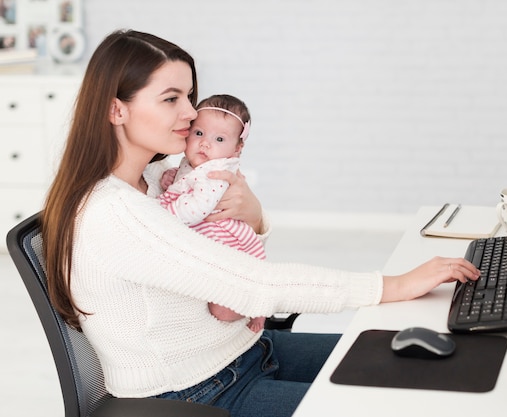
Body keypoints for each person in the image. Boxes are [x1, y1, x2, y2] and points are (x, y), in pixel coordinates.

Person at [41, 29, 480, 417]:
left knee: (417, 366)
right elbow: (253, 284)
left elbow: (223, 241)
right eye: (172, 98)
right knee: (398, 406)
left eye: (190, 96)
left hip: (245, 350)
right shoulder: (112, 212)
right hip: (202, 393)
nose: (192, 113)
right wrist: (394, 285)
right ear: (117, 110)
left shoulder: (158, 180)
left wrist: (254, 216)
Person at [159, 94, 266, 332]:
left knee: (224, 310)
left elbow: (195, 209)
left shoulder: (216, 173)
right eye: (199, 133)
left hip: (223, 241)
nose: (205, 143)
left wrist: (163, 211)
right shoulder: (195, 164)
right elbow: (185, 181)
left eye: (219, 139)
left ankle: (256, 306)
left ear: (237, 149)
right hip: (207, 240)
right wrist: (172, 180)